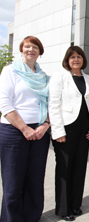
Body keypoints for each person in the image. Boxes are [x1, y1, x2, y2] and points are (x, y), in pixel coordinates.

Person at [0, 36, 50, 222]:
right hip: (13, 132)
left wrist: (45, 125)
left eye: (35, 47)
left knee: (35, 180)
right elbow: (4, 104)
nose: (31, 49)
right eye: (27, 47)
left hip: (40, 132)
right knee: (13, 182)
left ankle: (31, 217)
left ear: (40, 52)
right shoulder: (10, 71)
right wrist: (24, 128)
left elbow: (51, 104)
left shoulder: (44, 77)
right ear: (21, 50)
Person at [49, 46, 89, 221]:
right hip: (66, 130)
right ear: (67, 60)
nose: (76, 59)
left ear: (83, 59)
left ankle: (76, 205)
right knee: (65, 169)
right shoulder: (60, 77)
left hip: (84, 131)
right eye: (72, 57)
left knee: (79, 169)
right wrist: (58, 130)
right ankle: (64, 209)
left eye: (79, 56)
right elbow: (53, 104)